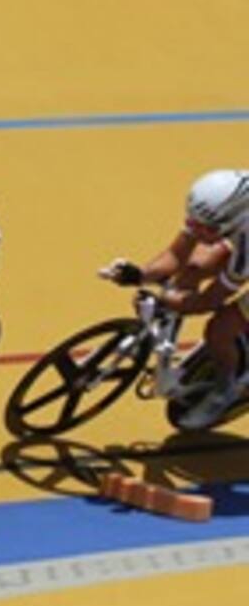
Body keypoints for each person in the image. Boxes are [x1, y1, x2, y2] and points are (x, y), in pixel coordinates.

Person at [100, 169, 249, 430]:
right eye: (194, 223)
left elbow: (211, 300)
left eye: (207, 228)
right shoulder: (218, 209)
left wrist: (172, 300)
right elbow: (176, 256)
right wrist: (139, 274)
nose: (197, 231)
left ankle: (227, 389)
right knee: (194, 266)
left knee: (221, 328)